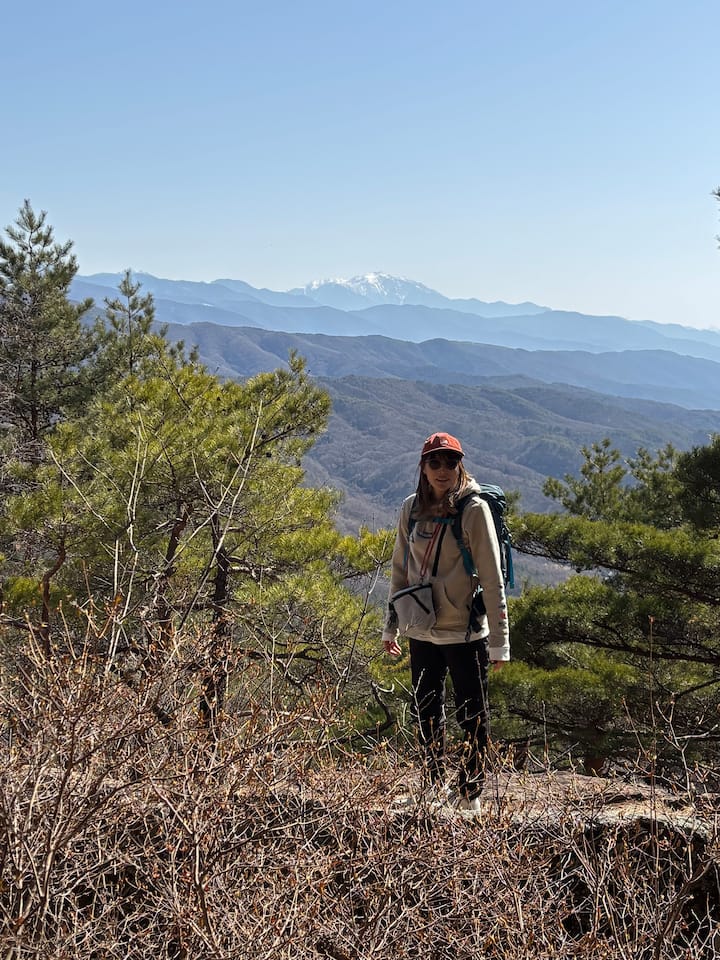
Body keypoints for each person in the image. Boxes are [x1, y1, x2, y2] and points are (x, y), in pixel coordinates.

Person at [382, 431, 510, 814]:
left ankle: (470, 794)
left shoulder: (473, 510)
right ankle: (432, 787)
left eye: (450, 461)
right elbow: (399, 569)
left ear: (460, 465)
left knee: (472, 713)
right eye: (434, 462)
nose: (442, 469)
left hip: (464, 631)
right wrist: (391, 625)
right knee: (426, 710)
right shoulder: (411, 508)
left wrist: (500, 642)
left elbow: (492, 579)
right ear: (423, 467)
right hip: (421, 627)